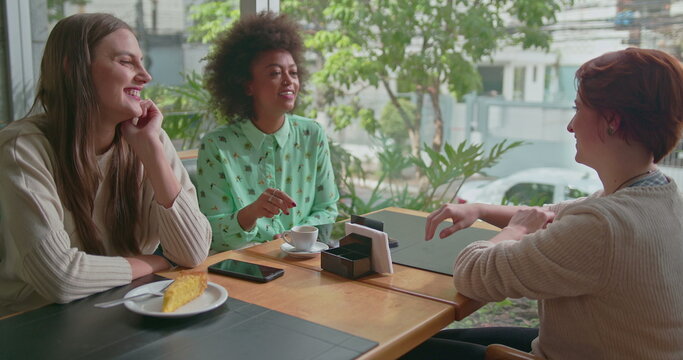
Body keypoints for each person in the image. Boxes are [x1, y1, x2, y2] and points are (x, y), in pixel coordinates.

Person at [407, 48, 683, 359]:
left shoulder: (603, 228)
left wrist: (514, 231)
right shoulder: (659, 192)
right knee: (432, 341)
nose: (571, 125)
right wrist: (480, 210)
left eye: (578, 109)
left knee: (405, 349)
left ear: (612, 121)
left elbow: (472, 274)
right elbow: (556, 214)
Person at [0, 13, 211, 316]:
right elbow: (61, 277)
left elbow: (192, 252)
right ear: (74, 70)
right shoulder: (24, 148)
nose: (145, 75)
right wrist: (158, 261)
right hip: (32, 323)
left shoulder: (148, 138)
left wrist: (152, 153)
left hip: (124, 308)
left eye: (141, 61)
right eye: (126, 62)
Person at [198, 11, 339, 251]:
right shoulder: (217, 146)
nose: (288, 81)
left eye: (293, 72)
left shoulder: (311, 134)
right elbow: (211, 233)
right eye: (275, 73)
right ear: (248, 84)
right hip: (242, 268)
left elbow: (327, 209)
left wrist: (293, 236)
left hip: (300, 260)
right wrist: (252, 212)